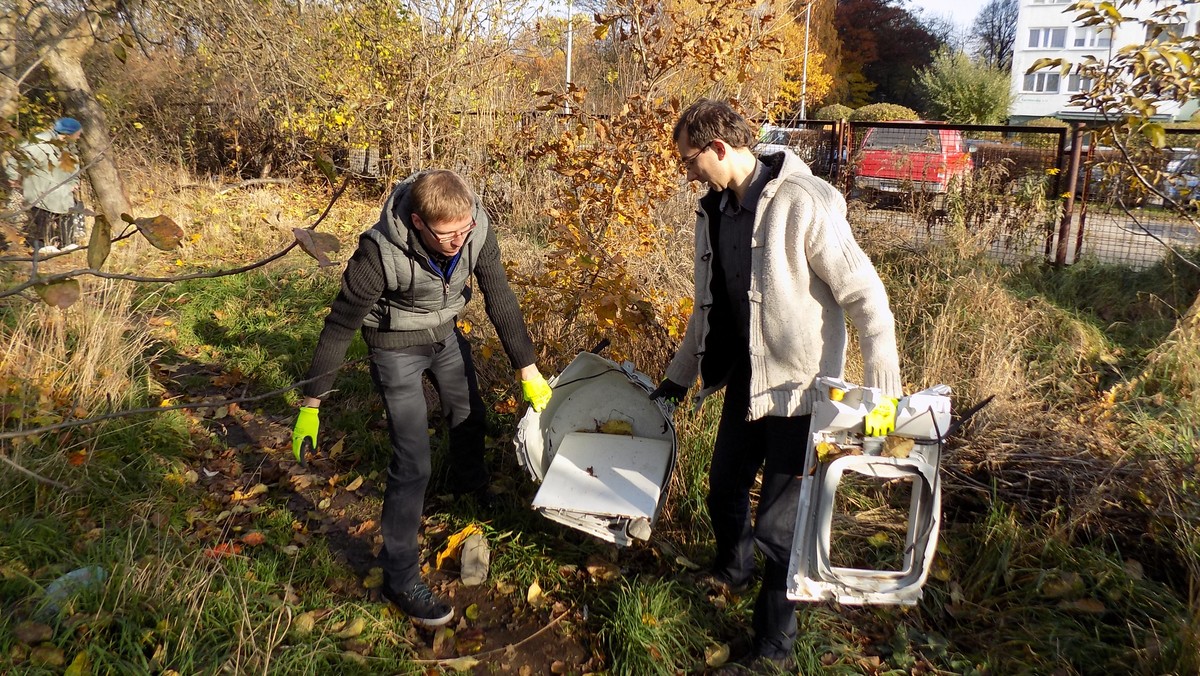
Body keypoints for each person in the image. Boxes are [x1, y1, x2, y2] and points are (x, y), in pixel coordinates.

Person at [650, 99, 902, 671]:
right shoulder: (713, 211)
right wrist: (676, 378)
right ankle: (731, 571)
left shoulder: (802, 202)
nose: (687, 173)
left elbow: (865, 296)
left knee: (779, 529)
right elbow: (707, 307)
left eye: (691, 160)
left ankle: (773, 647)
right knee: (722, 490)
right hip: (745, 382)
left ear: (719, 148)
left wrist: (882, 384)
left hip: (803, 392)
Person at [291, 169, 552, 628]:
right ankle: (399, 577)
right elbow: (340, 324)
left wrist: (526, 367)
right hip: (394, 345)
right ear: (417, 223)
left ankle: (470, 487)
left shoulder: (477, 230)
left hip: (445, 335)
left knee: (468, 412)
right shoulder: (378, 252)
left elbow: (499, 295)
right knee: (413, 461)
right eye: (447, 234)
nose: (458, 241)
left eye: (464, 229)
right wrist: (312, 404)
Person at [4, 117, 86, 253]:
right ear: (68, 133)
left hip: (62, 188)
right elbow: (16, 159)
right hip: (39, 186)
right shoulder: (39, 144)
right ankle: (43, 244)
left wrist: (74, 182)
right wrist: (13, 177)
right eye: (78, 133)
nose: (79, 137)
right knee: (43, 214)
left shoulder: (69, 146)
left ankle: (68, 242)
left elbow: (74, 167)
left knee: (68, 212)